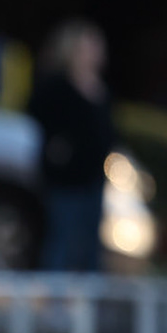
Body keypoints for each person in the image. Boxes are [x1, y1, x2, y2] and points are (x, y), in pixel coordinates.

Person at [27, 19, 114, 273]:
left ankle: (88, 306)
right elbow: (37, 117)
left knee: (91, 247)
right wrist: (57, 150)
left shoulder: (101, 90)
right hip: (65, 181)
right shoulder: (56, 86)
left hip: (94, 178)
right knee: (61, 240)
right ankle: (54, 304)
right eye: (87, 48)